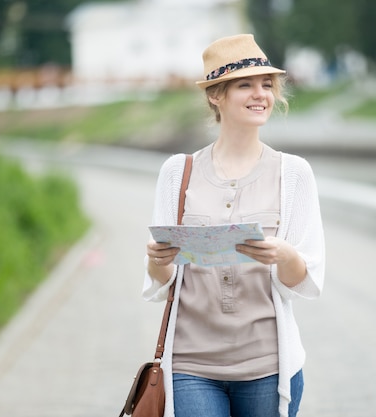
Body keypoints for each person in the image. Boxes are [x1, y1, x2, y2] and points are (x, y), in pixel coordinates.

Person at [143, 34, 325, 417]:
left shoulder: (293, 174)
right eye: (245, 84)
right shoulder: (177, 172)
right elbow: (160, 281)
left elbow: (306, 281)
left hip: (268, 366)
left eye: (266, 85)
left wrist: (285, 254)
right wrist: (158, 259)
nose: (261, 94)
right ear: (215, 95)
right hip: (191, 366)